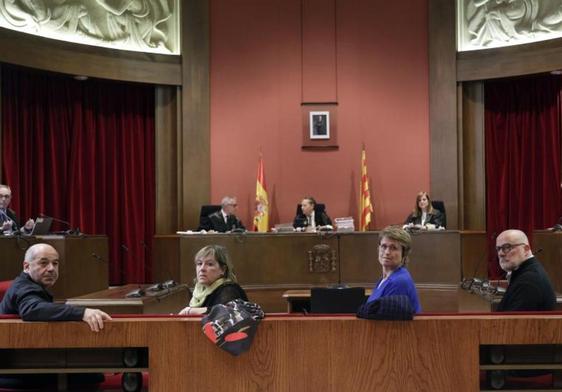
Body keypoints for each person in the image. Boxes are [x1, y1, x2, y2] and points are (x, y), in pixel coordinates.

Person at [0, 243, 112, 332]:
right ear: (27, 266)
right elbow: (32, 309)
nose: (51, 268)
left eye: (55, 263)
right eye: (44, 263)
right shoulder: (24, 288)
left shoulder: (31, 283)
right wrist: (83, 313)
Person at [495, 229, 556, 311]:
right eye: (498, 248)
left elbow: (514, 322)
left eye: (507, 247)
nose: (500, 253)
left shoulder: (529, 281)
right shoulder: (526, 272)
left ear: (526, 249)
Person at [179, 245, 248, 316]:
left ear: (223, 270)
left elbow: (227, 312)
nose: (202, 269)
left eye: (209, 264)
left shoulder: (229, 289)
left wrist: (191, 311)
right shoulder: (199, 290)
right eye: (199, 263)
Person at [365, 226, 422, 313]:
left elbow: (385, 322)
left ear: (404, 254)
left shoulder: (398, 282)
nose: (387, 252)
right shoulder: (385, 279)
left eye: (393, 248)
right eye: (384, 246)